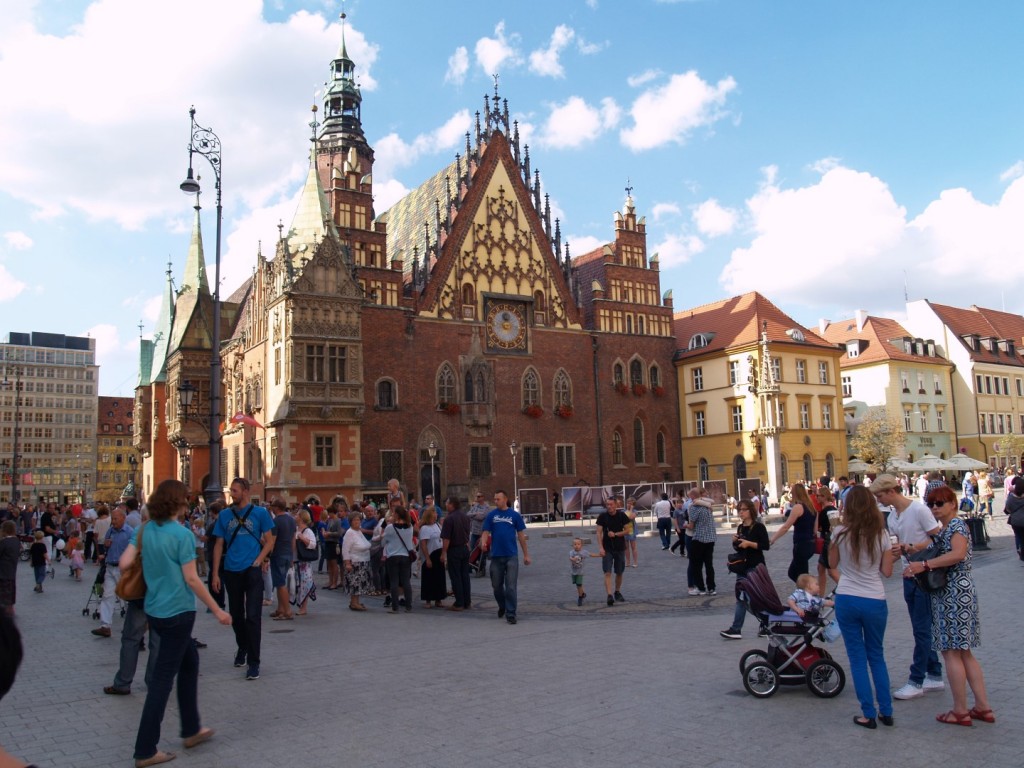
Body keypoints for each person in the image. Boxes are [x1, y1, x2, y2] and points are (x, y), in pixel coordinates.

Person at [120, 479, 231, 767]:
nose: (188, 504)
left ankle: (192, 728)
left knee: (190, 663)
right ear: (178, 503)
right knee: (161, 682)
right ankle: (145, 749)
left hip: (154, 609)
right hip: (178, 612)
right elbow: (192, 579)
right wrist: (217, 609)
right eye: (185, 499)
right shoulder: (180, 535)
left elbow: (123, 563)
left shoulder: (144, 530)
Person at [903, 485, 993, 726]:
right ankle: (983, 707)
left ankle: (960, 710)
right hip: (957, 591)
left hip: (953, 592)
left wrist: (925, 565)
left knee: (951, 652)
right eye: (931, 504)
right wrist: (915, 551)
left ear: (953, 503)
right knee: (963, 651)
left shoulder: (956, 525)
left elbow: (958, 554)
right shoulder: (948, 527)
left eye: (939, 503)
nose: (934, 508)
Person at [872, 473, 945, 700]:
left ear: (892, 491)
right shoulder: (893, 517)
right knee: (919, 628)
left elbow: (938, 538)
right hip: (908, 576)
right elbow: (898, 550)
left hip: (924, 574)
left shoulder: (919, 510)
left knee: (922, 629)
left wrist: (914, 547)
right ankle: (934, 673)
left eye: (880, 495)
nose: (879, 500)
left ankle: (917, 680)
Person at [829, 485, 896, 729]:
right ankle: (886, 711)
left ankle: (868, 713)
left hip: (847, 596)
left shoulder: (840, 533)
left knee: (857, 658)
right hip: (874, 598)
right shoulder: (882, 534)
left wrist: (832, 540)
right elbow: (887, 572)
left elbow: (832, 563)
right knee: (877, 656)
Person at [212, 477, 276, 681]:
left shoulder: (260, 513)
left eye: (235, 490)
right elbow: (218, 545)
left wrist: (259, 559)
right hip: (231, 568)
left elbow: (270, 540)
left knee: (253, 616)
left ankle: (254, 662)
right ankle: (242, 647)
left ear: (246, 491)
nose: (232, 494)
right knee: (236, 615)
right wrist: (214, 573)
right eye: (231, 490)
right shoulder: (224, 515)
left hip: (252, 569)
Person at [719, 499, 770, 639]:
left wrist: (749, 543)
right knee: (741, 598)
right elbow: (739, 548)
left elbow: (765, 545)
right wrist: (735, 542)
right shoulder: (741, 528)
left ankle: (766, 623)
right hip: (742, 567)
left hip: (755, 566)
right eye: (739, 510)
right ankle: (736, 629)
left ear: (751, 511)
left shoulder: (758, 527)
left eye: (743, 509)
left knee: (756, 598)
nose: (741, 512)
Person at [480, 490, 531, 624]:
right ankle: (502, 605)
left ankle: (511, 613)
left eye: (498, 499)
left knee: (511, 586)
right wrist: (483, 542)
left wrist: (526, 554)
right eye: (495, 499)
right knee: (496, 586)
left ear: (505, 499)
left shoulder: (514, 515)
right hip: (496, 556)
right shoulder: (491, 515)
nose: (495, 501)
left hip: (511, 556)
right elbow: (485, 531)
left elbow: (521, 536)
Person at [93, 507, 134, 638]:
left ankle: (131, 626)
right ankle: (105, 626)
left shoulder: (129, 532)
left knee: (127, 597)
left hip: (124, 569)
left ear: (123, 518)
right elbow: (105, 546)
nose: (114, 521)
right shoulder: (110, 531)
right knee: (107, 595)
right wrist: (105, 545)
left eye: (116, 519)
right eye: (113, 518)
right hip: (110, 566)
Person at [768, 483, 817, 583]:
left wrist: (773, 539)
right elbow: (815, 530)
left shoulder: (798, 507)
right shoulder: (812, 507)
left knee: (801, 576)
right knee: (794, 573)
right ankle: (805, 594)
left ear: (794, 493)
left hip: (801, 544)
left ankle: (810, 594)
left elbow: (786, 527)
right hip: (811, 544)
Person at [596, 494, 629, 606]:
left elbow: (628, 530)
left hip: (620, 547)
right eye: (607, 504)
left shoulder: (622, 515)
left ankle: (617, 591)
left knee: (619, 572)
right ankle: (609, 595)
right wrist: (600, 547)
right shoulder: (602, 517)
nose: (609, 506)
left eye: (611, 504)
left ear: (616, 505)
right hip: (607, 548)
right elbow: (598, 532)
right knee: (607, 572)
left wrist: (615, 534)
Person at [440, 495, 472, 611]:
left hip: (454, 549)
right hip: (464, 548)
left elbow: (446, 538)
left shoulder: (449, 519)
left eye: (447, 503)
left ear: (452, 505)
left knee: (456, 576)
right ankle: (467, 601)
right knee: (465, 576)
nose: (446, 505)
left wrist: (443, 553)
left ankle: (459, 603)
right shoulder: (465, 516)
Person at [381, 505, 415, 613]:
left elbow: (383, 542)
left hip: (393, 556)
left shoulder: (390, 527)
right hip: (406, 556)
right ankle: (408, 606)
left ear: (396, 514)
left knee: (394, 581)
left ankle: (395, 607)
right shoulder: (410, 527)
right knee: (406, 581)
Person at [267, 499, 295, 621]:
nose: (271, 508)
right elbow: (293, 538)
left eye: (273, 506)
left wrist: (267, 555)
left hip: (278, 554)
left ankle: (287, 610)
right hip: (288, 553)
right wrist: (292, 555)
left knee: (280, 583)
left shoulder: (276, 522)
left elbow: (272, 541)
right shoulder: (291, 520)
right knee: (280, 583)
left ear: (277, 508)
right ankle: (280, 609)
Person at [686, 491, 717, 596]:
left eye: (690, 497)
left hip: (699, 538)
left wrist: (685, 525)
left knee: (696, 565)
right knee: (709, 565)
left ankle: (701, 588)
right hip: (710, 538)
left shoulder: (694, 508)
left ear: (693, 497)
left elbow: (691, 526)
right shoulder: (708, 507)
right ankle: (712, 588)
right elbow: (711, 502)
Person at [340, 510, 370, 612]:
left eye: (358, 519)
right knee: (355, 583)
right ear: (351, 521)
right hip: (355, 561)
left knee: (359, 583)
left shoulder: (359, 531)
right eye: (355, 520)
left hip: (363, 560)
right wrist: (347, 562)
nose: (357, 522)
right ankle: (354, 602)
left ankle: (356, 601)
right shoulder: (349, 533)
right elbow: (345, 548)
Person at [418, 506, 446, 608]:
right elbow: (423, 544)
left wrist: (443, 553)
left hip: (438, 554)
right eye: (434, 513)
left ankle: (439, 599)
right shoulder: (425, 528)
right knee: (429, 578)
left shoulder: (438, 525)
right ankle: (428, 600)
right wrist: (427, 558)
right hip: (430, 554)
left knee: (439, 577)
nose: (436, 515)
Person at [815, 487, 840, 597]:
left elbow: (836, 526)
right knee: (820, 568)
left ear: (824, 496)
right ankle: (821, 596)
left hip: (829, 539)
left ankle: (848, 589)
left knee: (831, 571)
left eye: (818, 496)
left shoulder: (830, 509)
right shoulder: (825, 509)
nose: (816, 498)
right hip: (826, 537)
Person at [292, 511, 318, 615]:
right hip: (295, 560)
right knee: (296, 584)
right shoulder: (295, 529)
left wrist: (303, 539)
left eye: (297, 515)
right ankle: (299, 604)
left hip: (304, 562)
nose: (295, 516)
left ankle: (303, 607)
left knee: (304, 584)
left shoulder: (308, 531)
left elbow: (313, 545)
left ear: (302, 518)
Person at [569, 537, 599, 606]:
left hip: (580, 572)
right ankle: (583, 594)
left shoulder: (584, 552)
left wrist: (599, 555)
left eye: (578, 544)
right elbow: (570, 557)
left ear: (581, 545)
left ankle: (580, 598)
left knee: (579, 584)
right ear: (572, 545)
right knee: (577, 584)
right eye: (575, 544)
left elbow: (591, 554)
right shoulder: (571, 552)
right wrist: (572, 559)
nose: (576, 545)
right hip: (573, 571)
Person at [467, 491, 491, 576]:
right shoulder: (475, 506)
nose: (477, 498)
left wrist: (474, 515)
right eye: (477, 496)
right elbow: (468, 514)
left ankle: (481, 568)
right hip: (474, 531)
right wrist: (475, 514)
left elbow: (482, 517)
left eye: (479, 496)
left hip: (482, 533)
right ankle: (471, 566)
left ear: (483, 497)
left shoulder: (486, 507)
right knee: (472, 550)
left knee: (482, 551)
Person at [322, 506, 343, 590]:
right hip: (328, 542)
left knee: (334, 564)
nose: (328, 515)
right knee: (329, 563)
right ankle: (330, 581)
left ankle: (334, 582)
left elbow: (339, 533)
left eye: (329, 513)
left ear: (332, 512)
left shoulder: (337, 521)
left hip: (334, 543)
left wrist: (329, 533)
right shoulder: (330, 520)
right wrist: (325, 532)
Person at [0, 520, 19, 615]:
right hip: (12, 569)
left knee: (4, 592)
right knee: (11, 590)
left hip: (3, 571)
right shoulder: (16, 541)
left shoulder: (4, 542)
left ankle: (5, 611)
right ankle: (11, 608)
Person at [1005, 476, 1024, 561]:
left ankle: (1019, 551)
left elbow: (1008, 508)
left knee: (1018, 536)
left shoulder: (1011, 497)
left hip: (1015, 521)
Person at [623, 497, 639, 568]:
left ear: (633, 504)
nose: (628, 505)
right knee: (626, 548)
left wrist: (631, 509)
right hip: (624, 531)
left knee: (633, 547)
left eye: (630, 503)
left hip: (632, 531)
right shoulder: (623, 511)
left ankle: (635, 562)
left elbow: (630, 517)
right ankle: (628, 561)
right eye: (627, 503)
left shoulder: (635, 511)